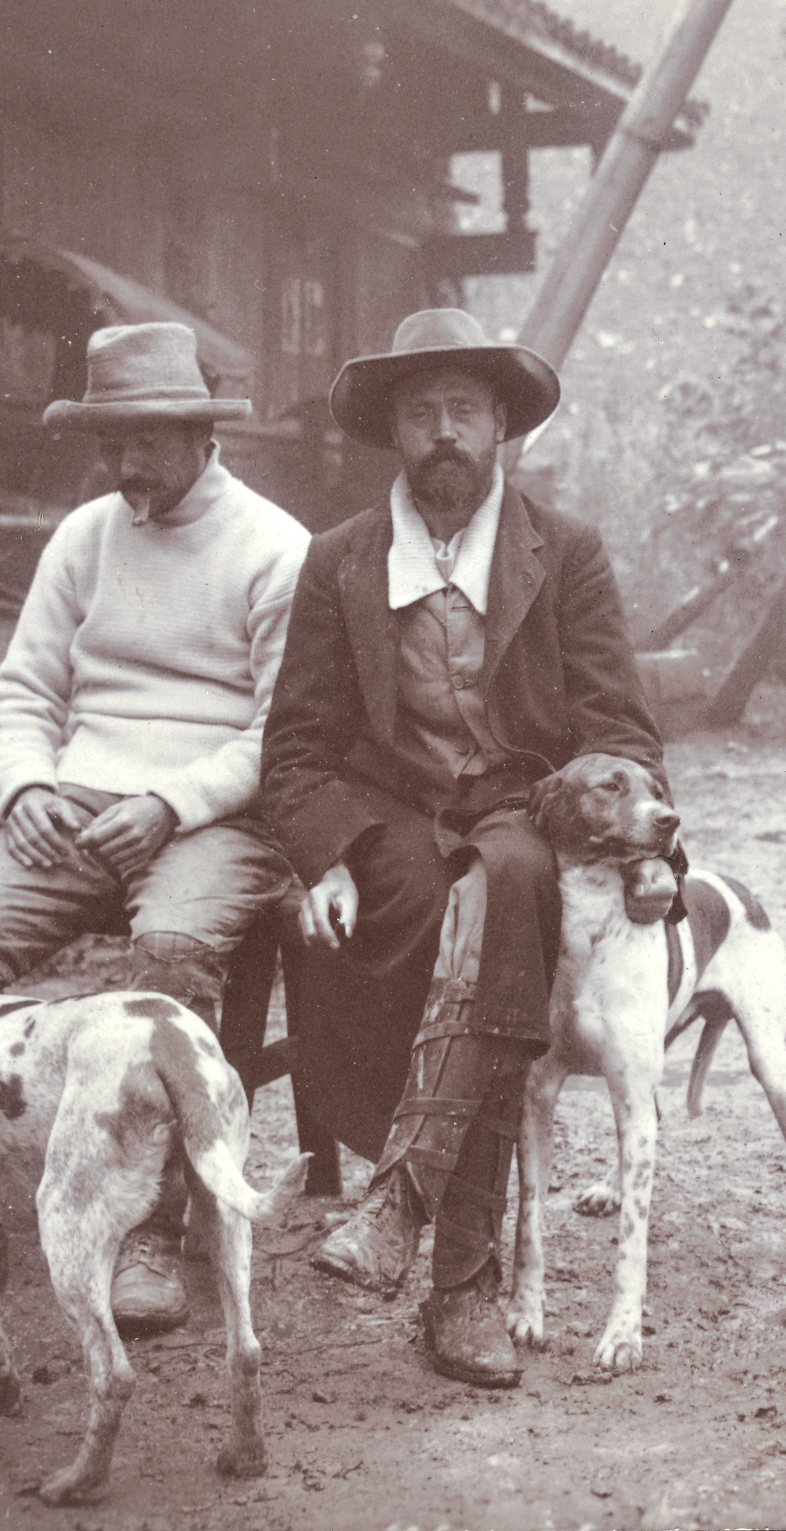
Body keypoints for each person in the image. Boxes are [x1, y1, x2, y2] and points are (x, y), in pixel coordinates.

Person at [260, 307, 671, 1389]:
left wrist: (636, 839)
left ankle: (445, 1258)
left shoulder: (563, 551)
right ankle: (454, 1268)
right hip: (388, 808)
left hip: (521, 806)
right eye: (420, 414)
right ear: (393, 432)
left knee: (512, 881)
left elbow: (618, 726)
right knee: (434, 909)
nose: (443, 433)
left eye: (462, 411)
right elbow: (296, 746)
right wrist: (326, 854)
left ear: (500, 426)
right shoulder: (339, 561)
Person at [0, 321, 310, 1334]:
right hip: (77, 802)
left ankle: (155, 1233)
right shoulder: (84, 534)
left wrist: (170, 803)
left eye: (146, 441)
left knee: (168, 954)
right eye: (109, 441)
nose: (126, 464)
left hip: (216, 812)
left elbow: (284, 731)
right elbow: (26, 688)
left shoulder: (274, 546)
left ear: (199, 430)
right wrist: (25, 786)